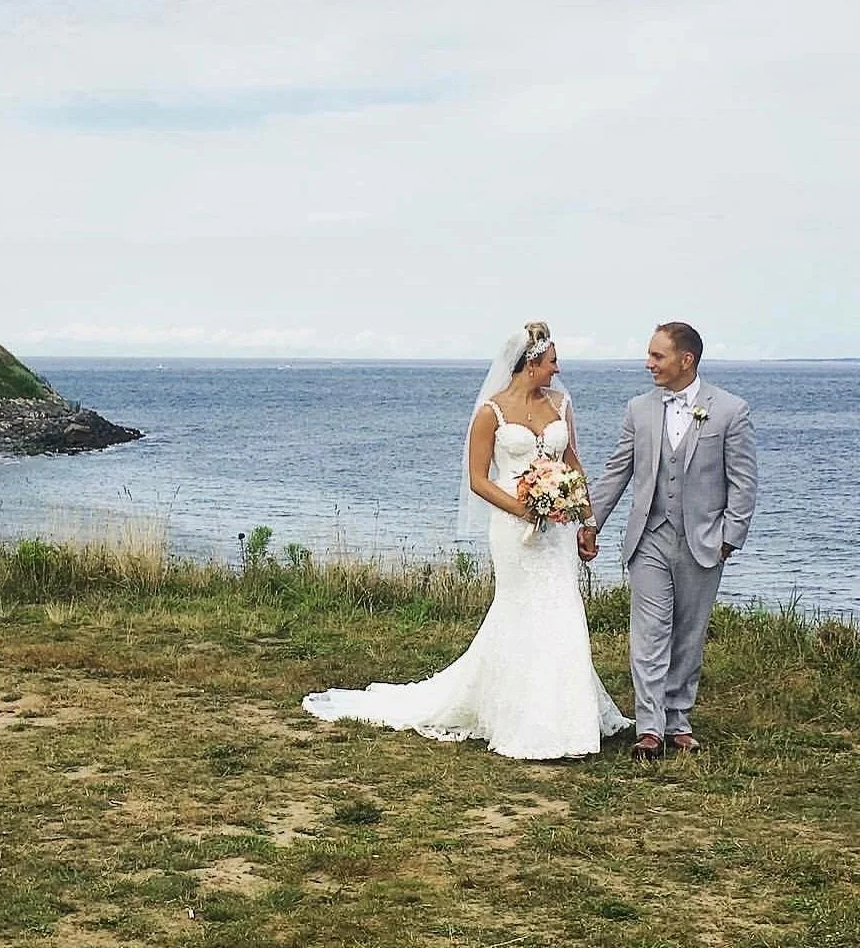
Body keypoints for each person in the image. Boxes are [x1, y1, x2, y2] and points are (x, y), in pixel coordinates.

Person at [303, 322, 632, 760]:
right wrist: (521, 507)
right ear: (531, 364)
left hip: (558, 527)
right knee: (521, 611)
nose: (558, 369)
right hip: (515, 529)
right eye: (552, 362)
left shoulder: (561, 403)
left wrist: (587, 520)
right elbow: (479, 479)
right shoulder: (490, 413)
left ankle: (568, 716)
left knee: (563, 607)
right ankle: (521, 717)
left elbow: (572, 461)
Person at [579, 322, 757, 761]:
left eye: (657, 356)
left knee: (688, 635)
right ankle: (650, 728)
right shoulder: (639, 409)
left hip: (703, 542)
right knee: (649, 632)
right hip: (649, 538)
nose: (648, 363)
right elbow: (617, 470)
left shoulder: (731, 411)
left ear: (686, 360)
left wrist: (728, 539)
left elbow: (744, 483)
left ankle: (679, 720)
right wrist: (590, 522)